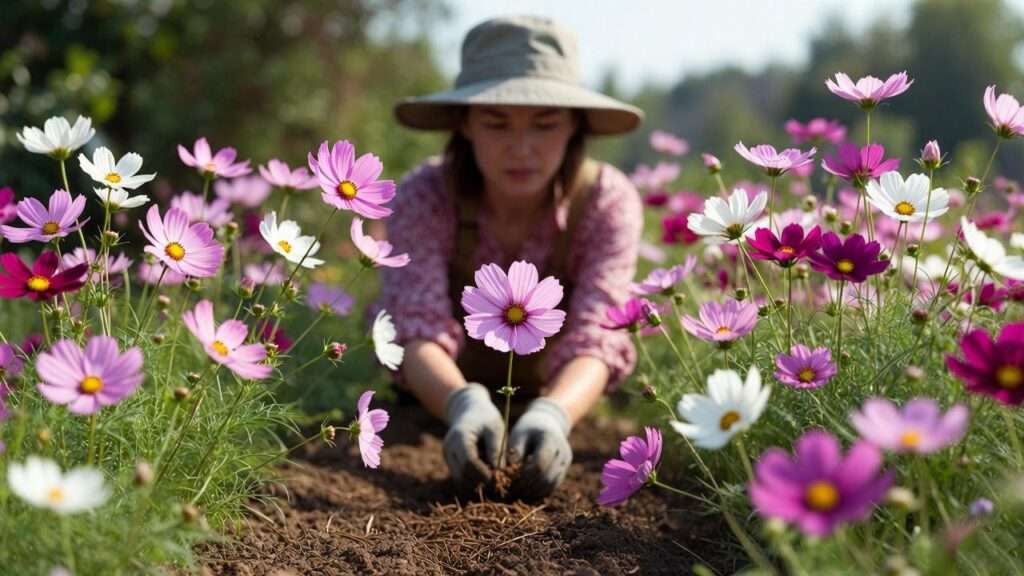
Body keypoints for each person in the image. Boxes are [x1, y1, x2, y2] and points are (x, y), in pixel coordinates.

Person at [374, 15, 644, 499]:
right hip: (432, 402)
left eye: (545, 124)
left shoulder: (606, 202)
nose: (521, 149)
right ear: (465, 124)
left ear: (575, 126)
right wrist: (461, 403)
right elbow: (413, 326)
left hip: (555, 393)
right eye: (496, 123)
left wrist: (554, 414)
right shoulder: (425, 196)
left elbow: (599, 334)